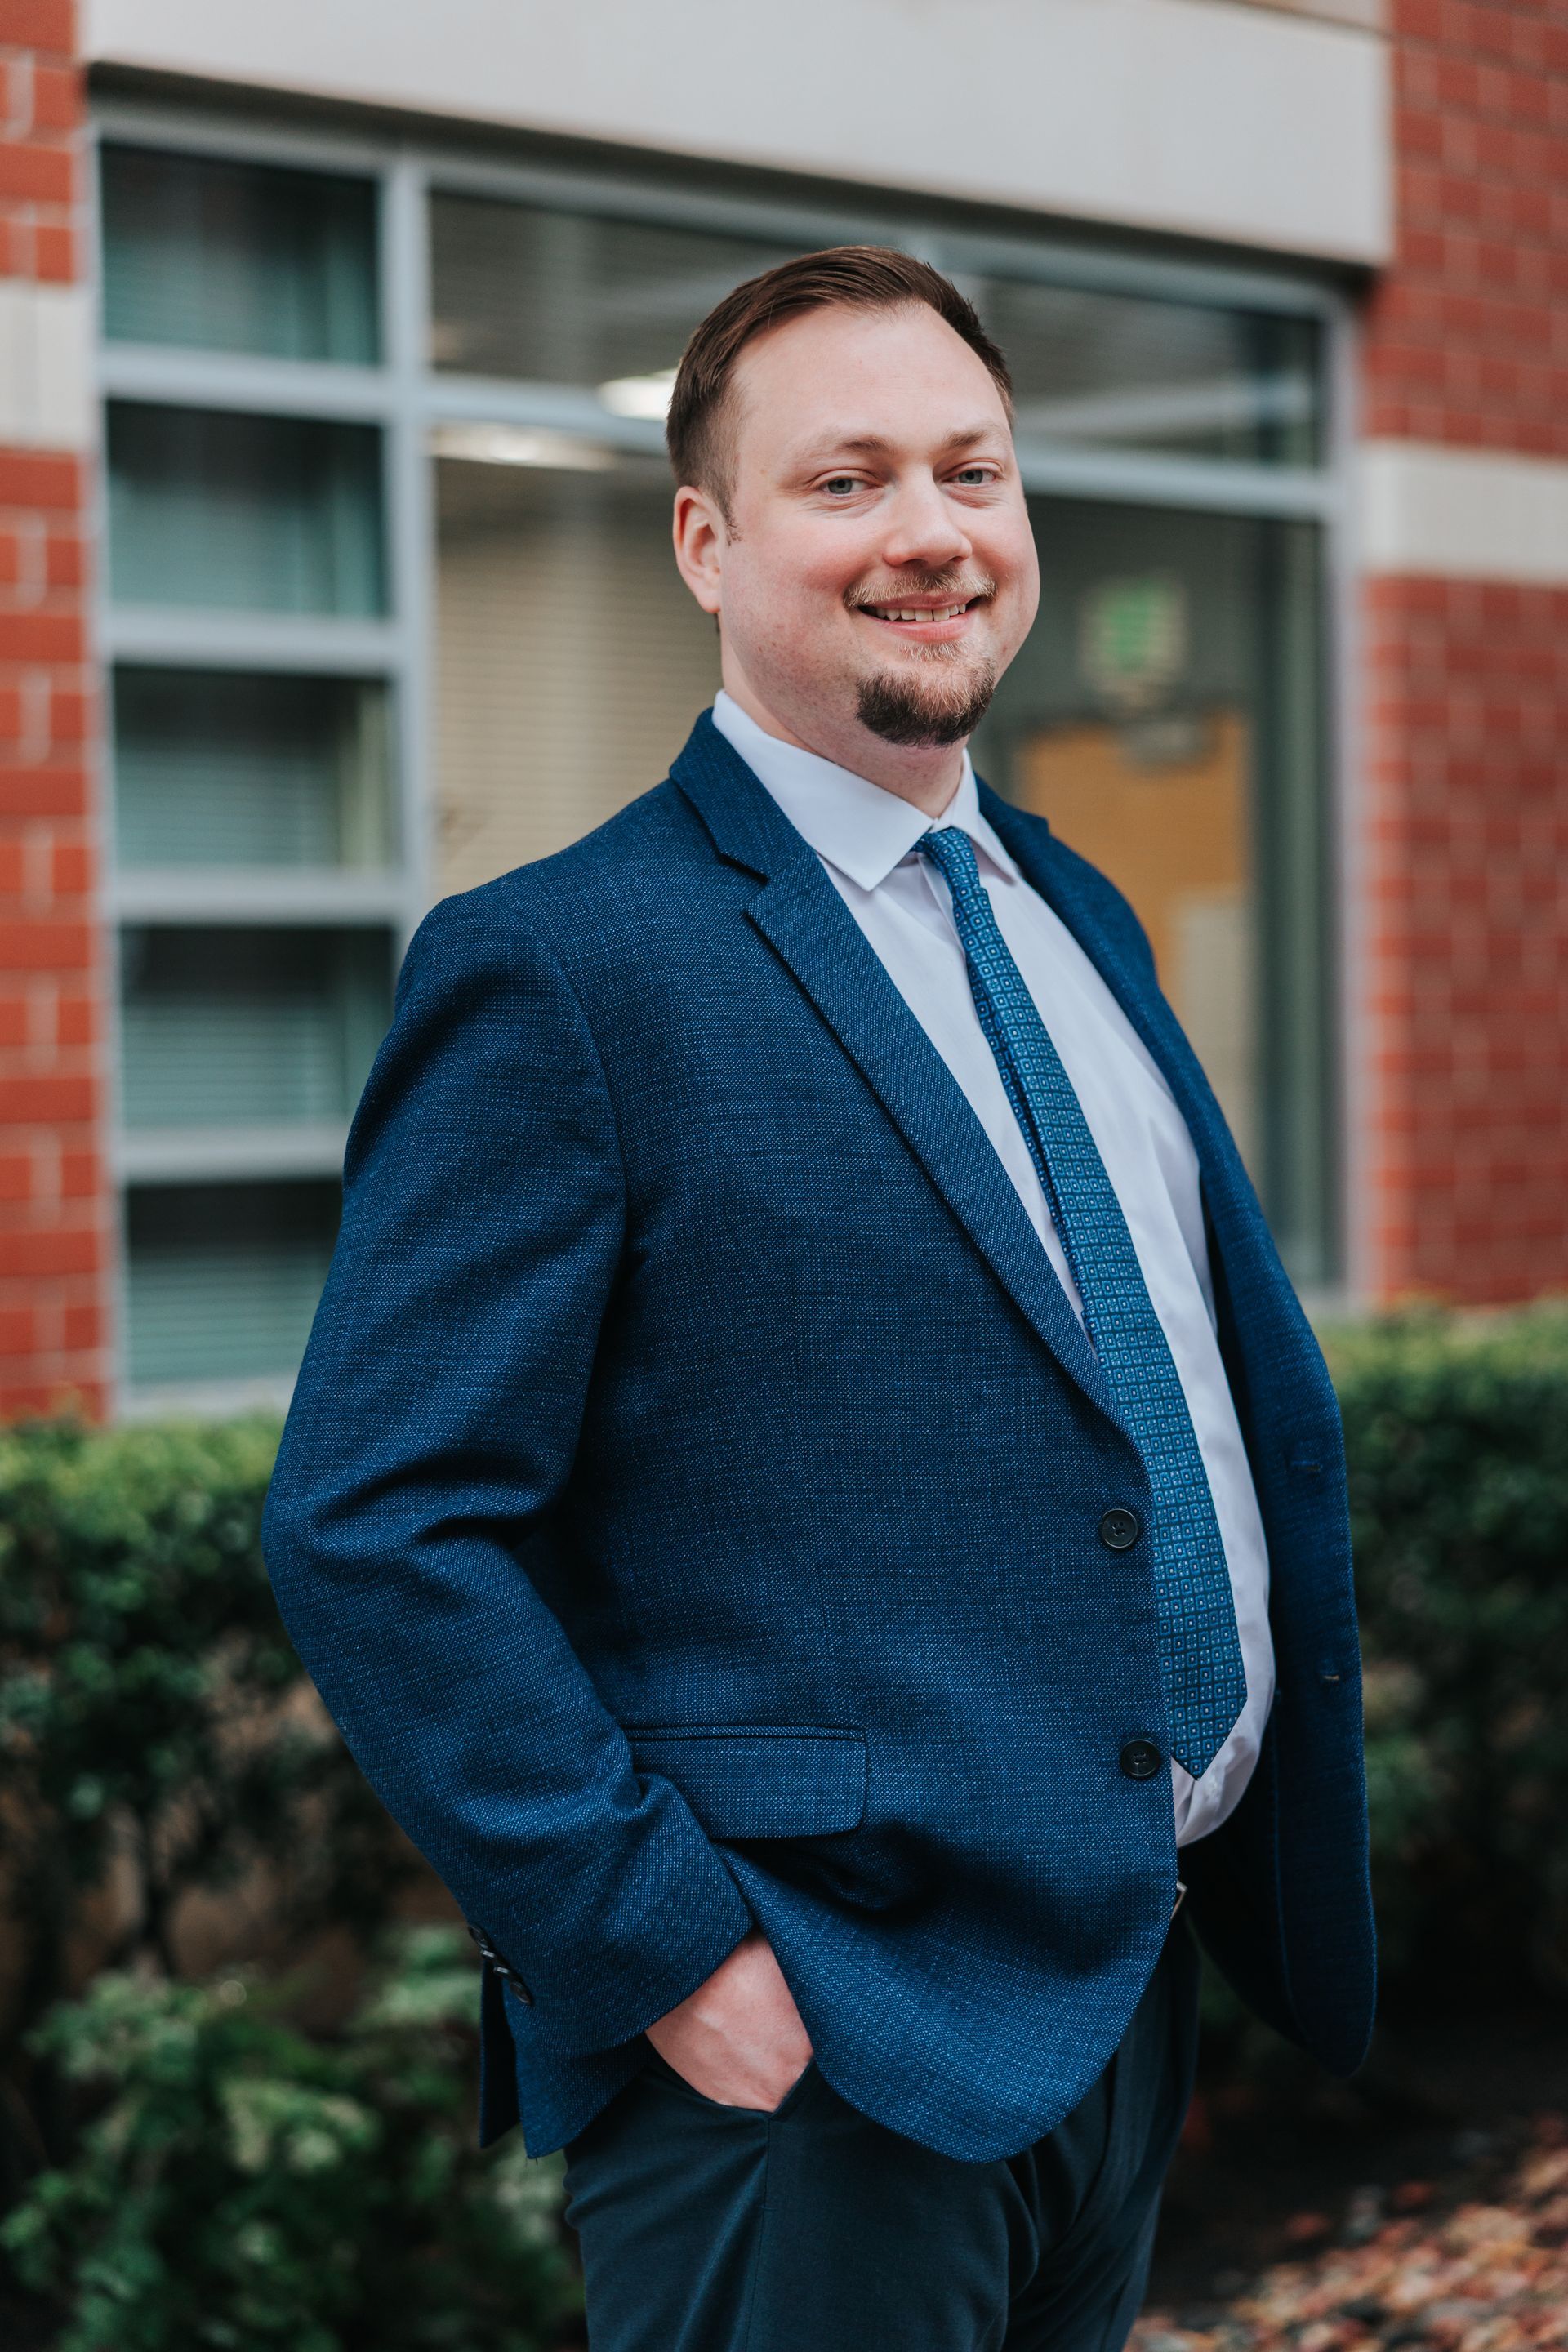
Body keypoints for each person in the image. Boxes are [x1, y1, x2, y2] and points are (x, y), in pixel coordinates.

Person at [262, 247, 1374, 2351]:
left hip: (1115, 1993)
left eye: (974, 469)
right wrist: (668, 1954)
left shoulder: (1072, 909)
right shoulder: (564, 969)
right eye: (847, 480)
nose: (932, 534)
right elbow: (376, 1520)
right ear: (707, 536)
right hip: (803, 2055)